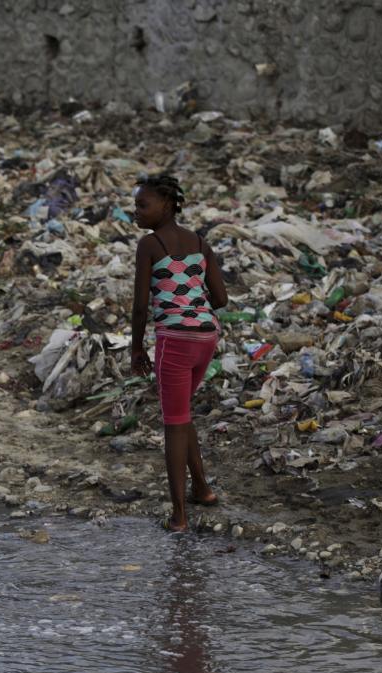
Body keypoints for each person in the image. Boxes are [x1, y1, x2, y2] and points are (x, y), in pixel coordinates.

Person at [130, 175, 228, 532]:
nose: (136, 212)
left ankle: (179, 517)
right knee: (182, 414)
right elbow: (220, 299)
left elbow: (141, 306)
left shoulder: (150, 244)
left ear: (167, 206)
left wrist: (137, 347)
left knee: (173, 424)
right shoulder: (200, 243)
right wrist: (190, 296)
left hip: (175, 340)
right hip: (206, 337)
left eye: (143, 205)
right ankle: (202, 490)